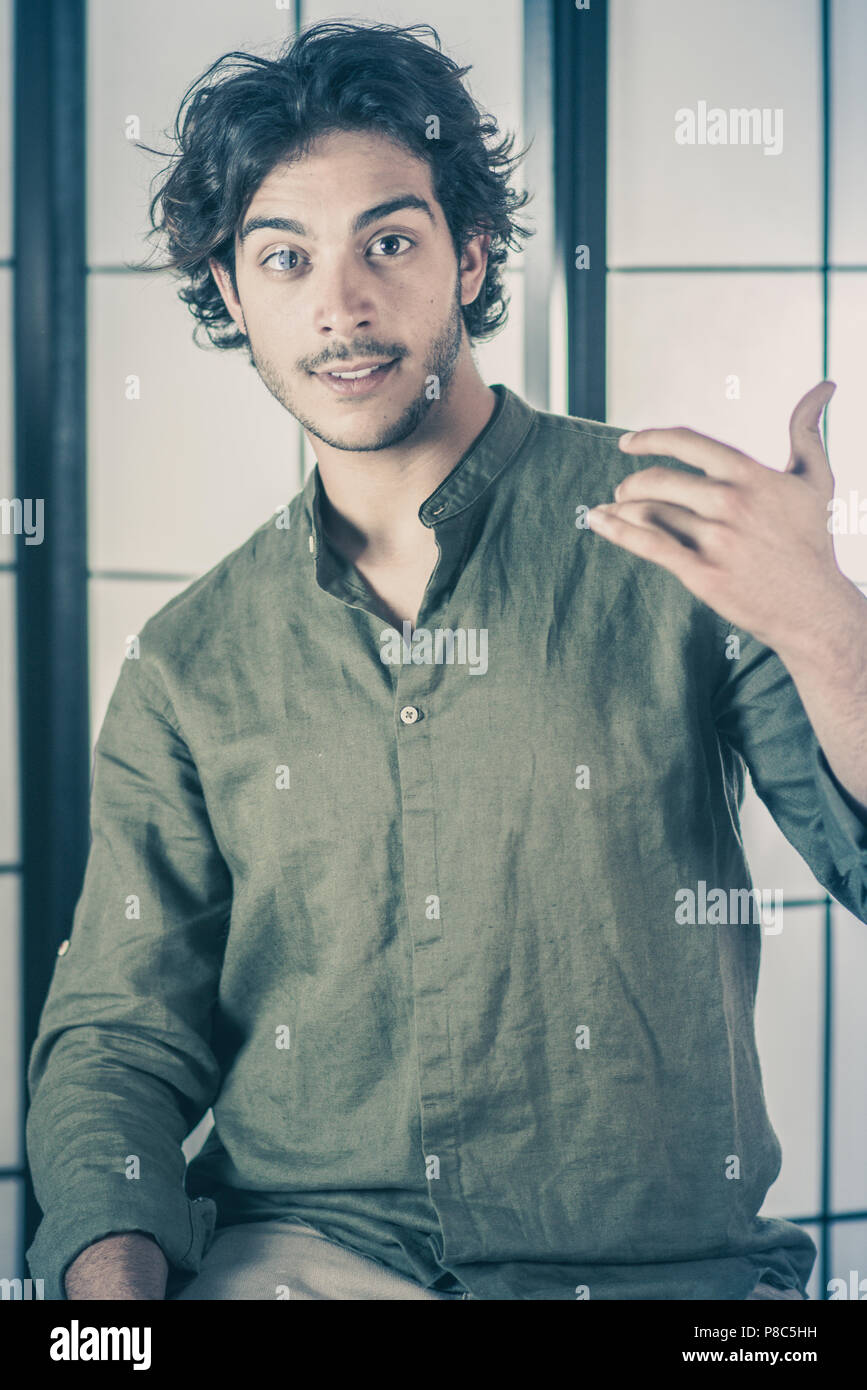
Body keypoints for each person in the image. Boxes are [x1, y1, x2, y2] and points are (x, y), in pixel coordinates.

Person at [26, 20, 867, 1302]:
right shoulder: (189, 661)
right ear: (231, 291)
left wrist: (828, 625)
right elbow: (117, 1039)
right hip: (304, 1260)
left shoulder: (676, 533)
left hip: (666, 1275)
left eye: (391, 242)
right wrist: (111, 1304)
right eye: (285, 257)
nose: (342, 305)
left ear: (472, 257)